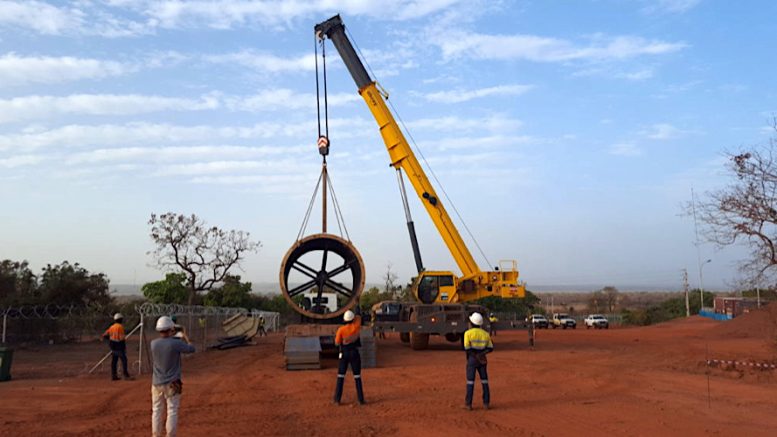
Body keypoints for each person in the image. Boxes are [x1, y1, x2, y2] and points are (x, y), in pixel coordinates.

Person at [151, 316, 196, 437]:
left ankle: (156, 435)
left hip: (157, 382)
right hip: (173, 382)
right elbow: (191, 349)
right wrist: (185, 335)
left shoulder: (153, 344)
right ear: (171, 328)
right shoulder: (176, 343)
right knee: (172, 410)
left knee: (156, 410)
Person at [333, 309, 365, 405]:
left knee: (341, 376)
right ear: (353, 319)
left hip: (344, 354)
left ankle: (337, 400)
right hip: (354, 353)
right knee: (357, 377)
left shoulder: (341, 330)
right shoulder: (356, 327)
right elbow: (358, 317)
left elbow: (337, 342)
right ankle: (360, 399)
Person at [463, 312, 493, 410]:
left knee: (470, 382)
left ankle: (468, 404)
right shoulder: (486, 334)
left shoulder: (468, 333)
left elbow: (467, 348)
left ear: (472, 323)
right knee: (484, 381)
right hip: (482, 359)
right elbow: (490, 348)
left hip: (472, 359)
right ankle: (486, 403)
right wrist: (481, 354)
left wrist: (475, 356)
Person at [101, 313, 132, 381]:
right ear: (121, 319)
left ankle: (114, 375)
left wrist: (110, 339)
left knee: (114, 361)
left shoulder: (112, 327)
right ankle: (125, 374)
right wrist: (124, 346)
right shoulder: (120, 327)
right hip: (119, 345)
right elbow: (121, 338)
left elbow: (104, 335)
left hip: (113, 345)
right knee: (124, 360)